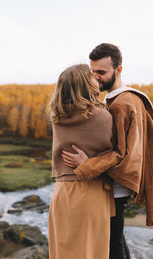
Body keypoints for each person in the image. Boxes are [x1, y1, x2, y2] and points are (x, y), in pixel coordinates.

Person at [62, 43, 153, 259]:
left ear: (118, 70)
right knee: (115, 239)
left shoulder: (123, 103)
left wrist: (86, 164)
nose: (95, 78)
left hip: (114, 187)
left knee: (110, 241)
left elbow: (124, 154)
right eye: (93, 72)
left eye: (101, 72)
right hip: (112, 185)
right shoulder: (116, 99)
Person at [48, 64, 115, 259]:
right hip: (89, 193)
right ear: (85, 85)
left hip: (61, 193)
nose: (97, 79)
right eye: (92, 77)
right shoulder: (102, 117)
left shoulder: (57, 117)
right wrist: (88, 163)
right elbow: (118, 156)